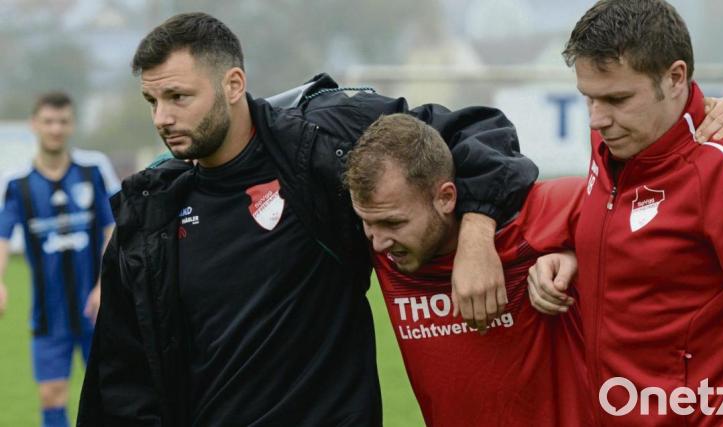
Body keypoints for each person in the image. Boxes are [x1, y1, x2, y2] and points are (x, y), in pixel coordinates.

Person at [76, 12, 538, 426]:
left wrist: (477, 236)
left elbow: (479, 132)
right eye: (152, 100)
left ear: (233, 84)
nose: (162, 117)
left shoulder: (322, 143)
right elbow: (123, 379)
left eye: (178, 97)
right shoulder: (150, 211)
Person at [529, 0, 723, 425]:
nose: (597, 119)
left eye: (617, 98)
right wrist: (574, 257)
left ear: (675, 77)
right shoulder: (613, 142)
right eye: (589, 99)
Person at [344, 113, 591, 426]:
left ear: (446, 198)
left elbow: (644, 227)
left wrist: (580, 260)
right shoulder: (386, 249)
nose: (378, 243)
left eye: (393, 223)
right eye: (367, 222)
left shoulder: (546, 214)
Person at [0, 92, 119, 427]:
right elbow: (2, 237)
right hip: (48, 314)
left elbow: (115, 228)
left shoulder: (94, 170)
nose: (55, 129)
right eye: (48, 121)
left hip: (98, 308)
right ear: (34, 125)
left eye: (62, 121)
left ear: (72, 125)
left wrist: (104, 284)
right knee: (51, 396)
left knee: (111, 394)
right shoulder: (18, 184)